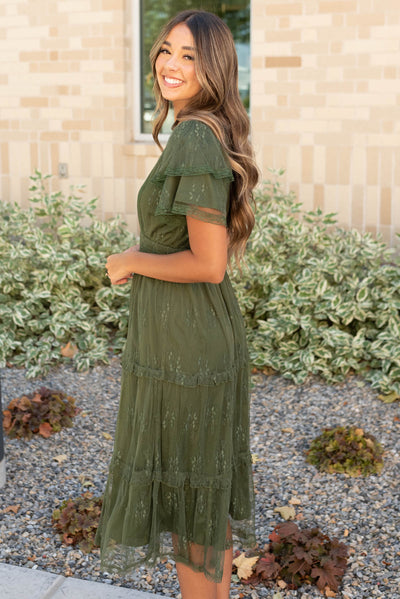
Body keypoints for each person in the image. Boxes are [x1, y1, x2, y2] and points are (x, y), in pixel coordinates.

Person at [96, 10, 259, 599]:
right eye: (166, 50)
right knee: (200, 507)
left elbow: (207, 262)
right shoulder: (208, 129)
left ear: (213, 67)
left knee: (190, 507)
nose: (170, 63)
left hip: (187, 346)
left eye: (189, 55)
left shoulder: (195, 135)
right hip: (192, 337)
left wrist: (131, 261)